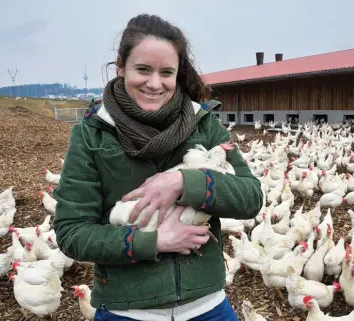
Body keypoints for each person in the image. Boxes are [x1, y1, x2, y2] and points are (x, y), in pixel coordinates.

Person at [53, 13, 263, 321]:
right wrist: (156, 241)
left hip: (207, 307)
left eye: (167, 72)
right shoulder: (92, 135)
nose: (155, 83)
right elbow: (72, 232)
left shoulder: (203, 125)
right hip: (128, 312)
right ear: (121, 67)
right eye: (143, 69)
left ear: (178, 74)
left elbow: (251, 197)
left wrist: (184, 183)